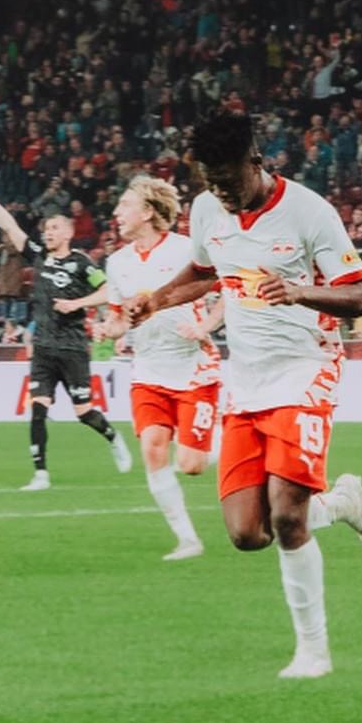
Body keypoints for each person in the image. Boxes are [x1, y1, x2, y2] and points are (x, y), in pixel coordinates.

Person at [128, 111, 362, 680]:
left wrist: (297, 291)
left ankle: (313, 652)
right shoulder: (207, 209)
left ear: (256, 162)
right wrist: (158, 300)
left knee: (288, 518)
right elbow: (207, 272)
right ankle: (342, 505)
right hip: (245, 380)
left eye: (227, 180)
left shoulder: (309, 212)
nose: (220, 192)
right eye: (210, 182)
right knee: (248, 533)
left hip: (306, 369)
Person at [0, 169, 133, 489]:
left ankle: (113, 437)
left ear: (68, 232)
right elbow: (9, 226)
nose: (48, 233)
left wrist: (77, 303)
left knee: (84, 412)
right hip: (43, 347)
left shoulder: (81, 263)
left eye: (54, 228)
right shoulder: (39, 256)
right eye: (46, 228)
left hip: (72, 348)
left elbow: (108, 291)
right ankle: (40, 473)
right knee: (38, 410)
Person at [99, 175, 222, 561]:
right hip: (148, 371)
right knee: (152, 448)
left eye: (124, 204)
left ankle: (238, 438)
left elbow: (229, 292)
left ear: (148, 211)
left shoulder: (187, 250)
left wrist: (205, 325)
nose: (117, 212)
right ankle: (187, 540)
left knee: (191, 464)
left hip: (193, 367)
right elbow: (118, 319)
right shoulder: (117, 262)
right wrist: (109, 328)